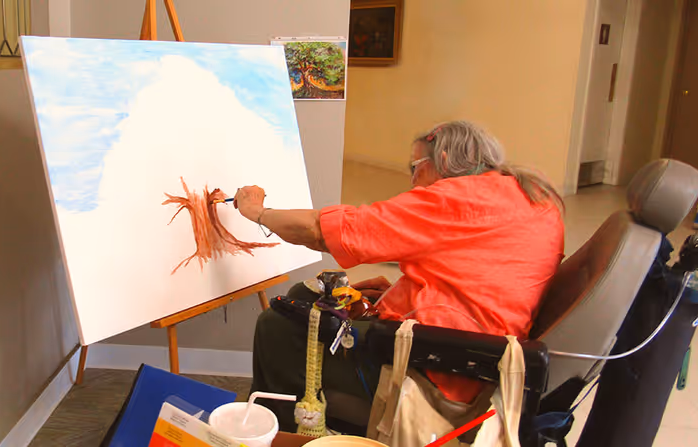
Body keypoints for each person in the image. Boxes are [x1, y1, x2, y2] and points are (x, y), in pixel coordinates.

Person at [233, 121, 564, 434]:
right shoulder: (528, 195)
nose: (412, 180)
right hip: (485, 354)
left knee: (275, 325)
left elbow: (322, 232)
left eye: (414, 167)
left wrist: (258, 213)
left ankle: (280, 428)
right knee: (301, 295)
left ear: (444, 159)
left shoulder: (454, 200)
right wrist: (401, 294)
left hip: (441, 369)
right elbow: (484, 275)